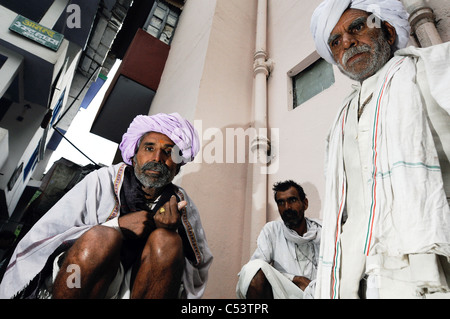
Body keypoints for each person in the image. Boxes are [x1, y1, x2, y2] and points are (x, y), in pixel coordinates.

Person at [310, 0, 450, 298]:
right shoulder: (341, 119)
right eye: (335, 41)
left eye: (357, 27)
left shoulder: (430, 69)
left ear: (386, 29)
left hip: (428, 255)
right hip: (358, 273)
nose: (347, 42)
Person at [0, 112, 213, 299]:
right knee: (102, 238)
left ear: (178, 165)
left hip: (137, 288)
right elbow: (48, 234)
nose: (157, 158)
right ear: (134, 156)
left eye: (169, 152)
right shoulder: (103, 180)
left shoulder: (181, 202)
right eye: (149, 148)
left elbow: (198, 269)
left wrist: (169, 231)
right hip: (79, 281)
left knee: (168, 242)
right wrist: (116, 225)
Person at [236, 180, 321, 299]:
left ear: (305, 203)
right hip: (285, 293)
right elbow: (253, 271)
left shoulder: (322, 232)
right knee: (253, 269)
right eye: (281, 203)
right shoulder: (272, 230)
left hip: (319, 293)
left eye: (292, 200)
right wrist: (296, 280)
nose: (287, 207)